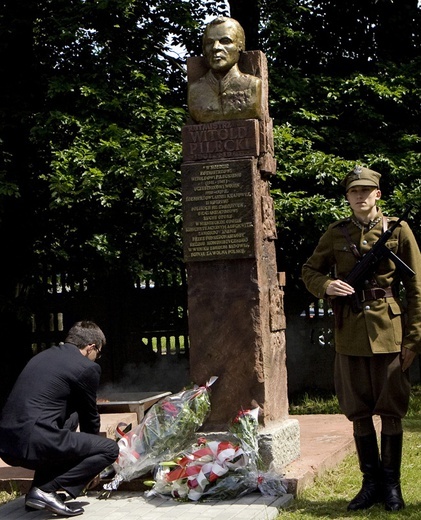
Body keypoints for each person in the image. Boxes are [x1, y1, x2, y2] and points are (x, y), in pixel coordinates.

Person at [302, 166, 421, 512]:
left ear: (377, 195)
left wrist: (413, 339)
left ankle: (392, 487)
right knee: (358, 411)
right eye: (354, 192)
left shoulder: (399, 230)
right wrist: (326, 285)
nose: (360, 197)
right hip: (350, 332)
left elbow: (415, 289)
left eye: (366, 191)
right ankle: (370, 485)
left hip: (390, 331)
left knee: (391, 408)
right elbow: (309, 270)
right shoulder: (335, 233)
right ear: (348, 197)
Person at [0, 320, 119, 517]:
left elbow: (74, 414)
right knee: (109, 449)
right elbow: (90, 416)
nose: (97, 358)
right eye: (98, 353)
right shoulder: (87, 368)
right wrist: (92, 462)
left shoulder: (42, 357)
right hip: (33, 440)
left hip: (8, 443)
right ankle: (46, 490)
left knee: (70, 419)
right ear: (90, 347)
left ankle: (37, 493)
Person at [188, 16, 262, 123]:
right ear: (204, 49)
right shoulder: (195, 91)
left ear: (240, 46)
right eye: (209, 42)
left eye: (225, 41)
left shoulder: (252, 85)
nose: (215, 47)